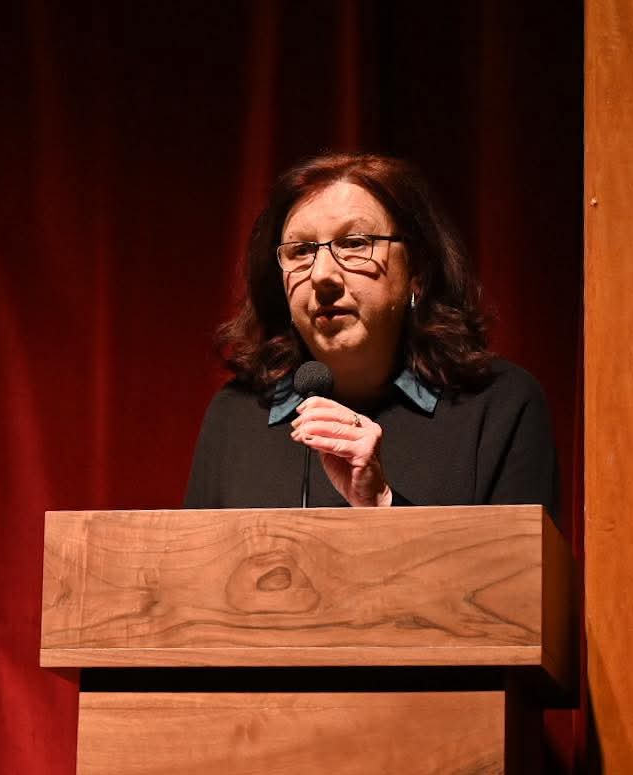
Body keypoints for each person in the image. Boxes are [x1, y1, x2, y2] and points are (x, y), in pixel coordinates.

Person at [183, 152, 558, 516]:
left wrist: (381, 503)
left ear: (417, 271)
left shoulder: (500, 407)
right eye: (301, 251)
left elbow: (516, 560)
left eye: (354, 244)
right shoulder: (235, 415)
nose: (321, 275)